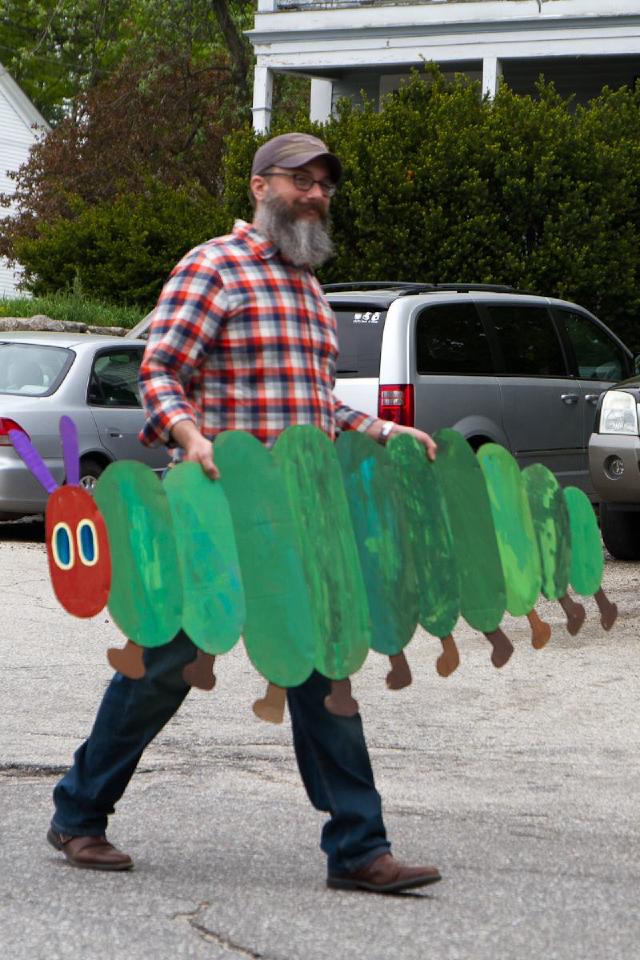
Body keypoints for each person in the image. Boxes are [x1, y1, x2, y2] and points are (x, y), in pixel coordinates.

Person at [47, 132, 442, 894]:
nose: (317, 194)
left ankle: (360, 848)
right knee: (164, 665)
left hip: (298, 516)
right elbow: (159, 369)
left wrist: (388, 430)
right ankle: (79, 811)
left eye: (326, 183)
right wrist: (190, 435)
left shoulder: (307, 286)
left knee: (324, 671)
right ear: (260, 186)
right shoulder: (214, 266)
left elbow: (313, 404)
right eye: (302, 180)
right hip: (217, 512)